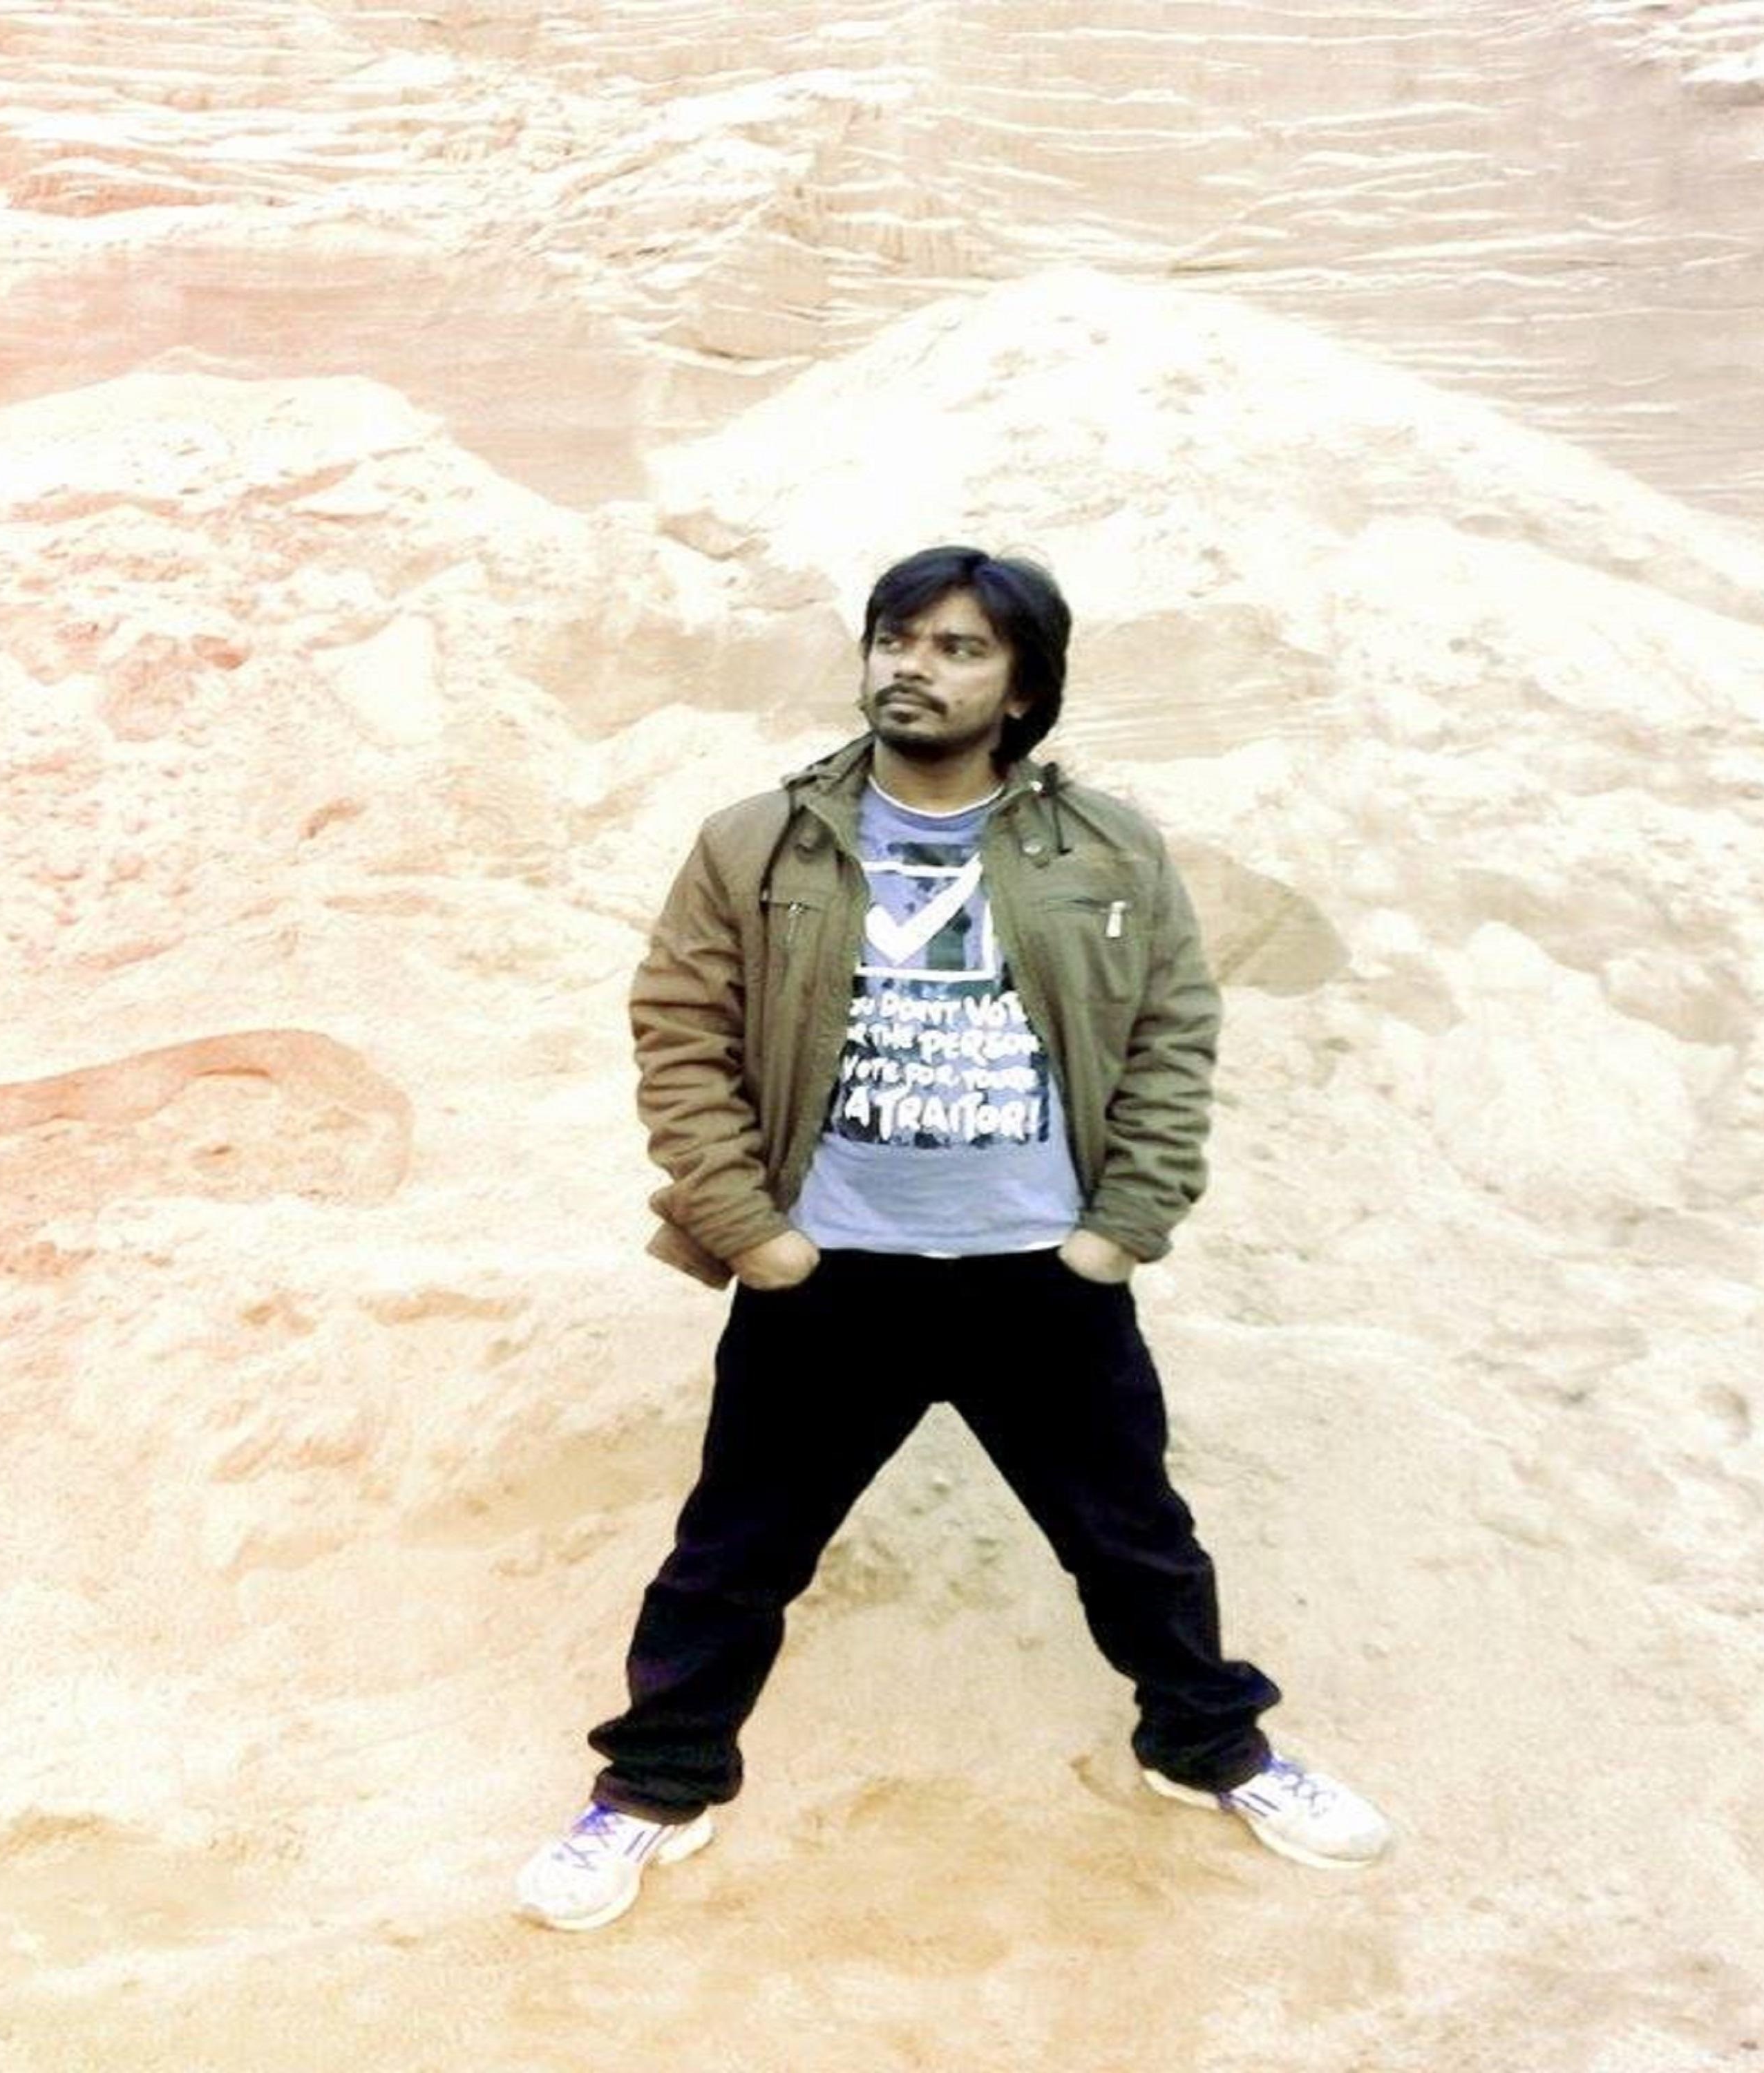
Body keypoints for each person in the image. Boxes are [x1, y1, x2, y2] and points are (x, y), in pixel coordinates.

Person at [515, 545, 1390, 1931]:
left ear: (1024, 689)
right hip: (828, 1276)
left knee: (1137, 1546)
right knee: (732, 1557)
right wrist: (752, 1232)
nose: (913, 667)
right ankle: (655, 1790)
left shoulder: (1107, 848)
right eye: (897, 638)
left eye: (960, 647)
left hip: (1039, 1277)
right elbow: (679, 1031)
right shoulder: (759, 843)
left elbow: (1173, 1031)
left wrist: (1124, 1228)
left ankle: (1209, 1750)